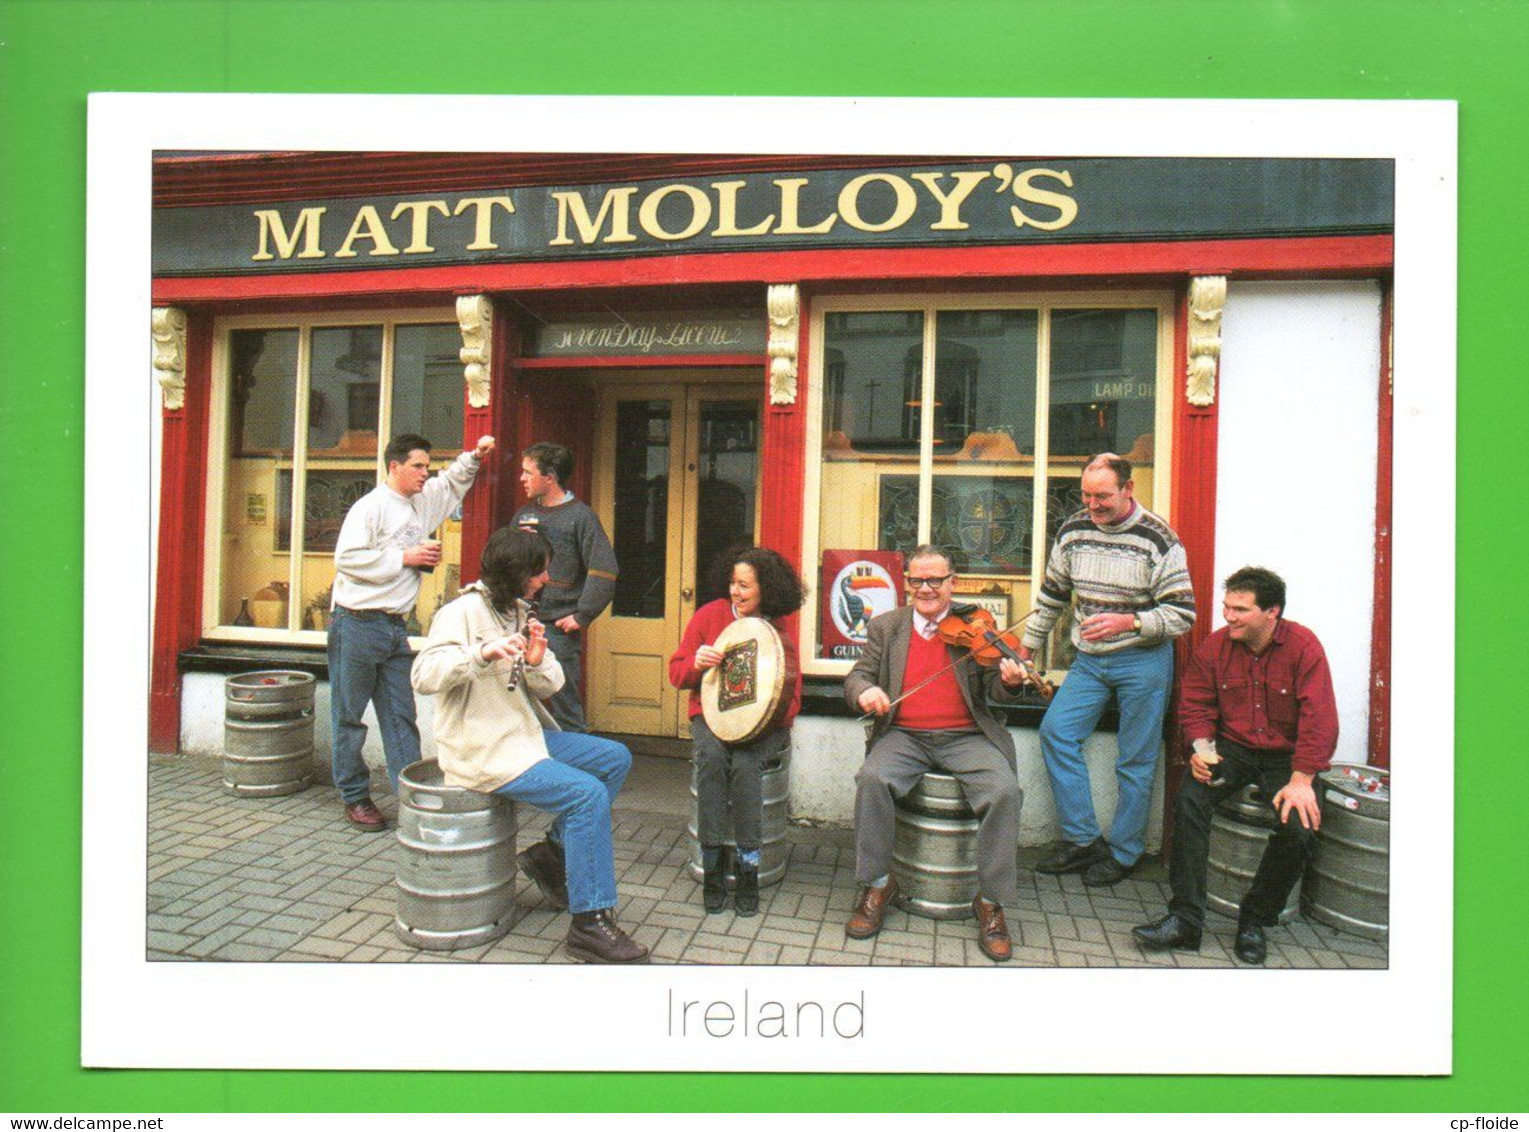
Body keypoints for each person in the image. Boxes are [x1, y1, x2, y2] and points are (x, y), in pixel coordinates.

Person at [410, 526, 648, 964]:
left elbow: (551, 683)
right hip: (483, 749)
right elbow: (423, 676)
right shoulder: (460, 612)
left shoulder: (519, 612)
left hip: (524, 737)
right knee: (586, 795)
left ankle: (553, 853)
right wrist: (481, 654)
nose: (545, 580)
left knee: (614, 758)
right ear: (515, 572)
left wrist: (537, 661)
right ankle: (589, 923)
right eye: (538, 572)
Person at [1134, 566, 1337, 965]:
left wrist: (1302, 779)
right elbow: (1195, 704)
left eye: (1241, 609)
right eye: (1227, 607)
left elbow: (1320, 717)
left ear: (1271, 612)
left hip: (1286, 758)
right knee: (1190, 800)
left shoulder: (1303, 647)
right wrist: (1202, 750)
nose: (1229, 616)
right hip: (1234, 750)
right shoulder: (1214, 647)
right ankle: (1185, 919)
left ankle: (1254, 920)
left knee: (1300, 827)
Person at [1017, 452, 1196, 886]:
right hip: (1089, 660)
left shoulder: (1160, 540)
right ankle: (1082, 841)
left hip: (1144, 659)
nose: (1093, 505)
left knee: (1135, 758)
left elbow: (1182, 615)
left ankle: (1125, 852)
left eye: (1103, 497)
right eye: (1087, 495)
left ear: (1128, 490)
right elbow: (1053, 596)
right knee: (1057, 732)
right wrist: (1027, 648)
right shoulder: (1073, 529)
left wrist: (1130, 621)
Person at [843, 545, 1028, 962]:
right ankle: (876, 884)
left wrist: (1012, 682)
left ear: (953, 582)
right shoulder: (887, 627)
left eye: (935, 580)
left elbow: (995, 694)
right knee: (872, 779)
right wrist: (866, 692)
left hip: (968, 737)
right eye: (916, 580)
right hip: (904, 735)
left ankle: (991, 902)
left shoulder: (975, 627)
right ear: (907, 582)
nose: (925, 589)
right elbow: (857, 676)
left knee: (1004, 791)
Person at [328, 431, 495, 832]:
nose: (425, 472)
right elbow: (346, 559)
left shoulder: (421, 502)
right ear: (394, 467)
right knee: (349, 717)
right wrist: (407, 556)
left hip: (393, 628)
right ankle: (355, 798)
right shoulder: (369, 508)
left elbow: (451, 483)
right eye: (417, 465)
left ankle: (411, 796)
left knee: (401, 716)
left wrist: (474, 456)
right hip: (356, 623)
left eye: (427, 464)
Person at [668, 546, 806, 917]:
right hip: (710, 719)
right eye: (732, 583)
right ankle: (712, 865)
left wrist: (762, 723)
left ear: (766, 589)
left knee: (745, 767)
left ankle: (748, 866)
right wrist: (696, 664)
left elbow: (792, 696)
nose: (735, 592)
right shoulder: (708, 616)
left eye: (745, 586)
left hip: (765, 727)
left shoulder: (776, 628)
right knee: (713, 759)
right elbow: (677, 674)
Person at [512, 441, 618, 733]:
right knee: (515, 703)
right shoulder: (522, 516)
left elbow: (604, 569)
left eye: (527, 472)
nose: (522, 478)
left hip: (557, 630)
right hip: (519, 625)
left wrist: (582, 615)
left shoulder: (581, 517)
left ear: (550, 477)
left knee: (565, 708)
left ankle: (582, 776)